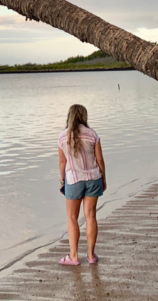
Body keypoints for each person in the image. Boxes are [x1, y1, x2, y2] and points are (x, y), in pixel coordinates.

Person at [57, 104, 106, 266]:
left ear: (69, 116)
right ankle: (91, 255)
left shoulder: (63, 137)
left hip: (73, 180)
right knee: (90, 216)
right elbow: (99, 160)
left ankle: (74, 256)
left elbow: (62, 162)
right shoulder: (93, 134)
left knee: (72, 217)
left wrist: (62, 181)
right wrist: (103, 178)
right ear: (84, 116)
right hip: (93, 178)